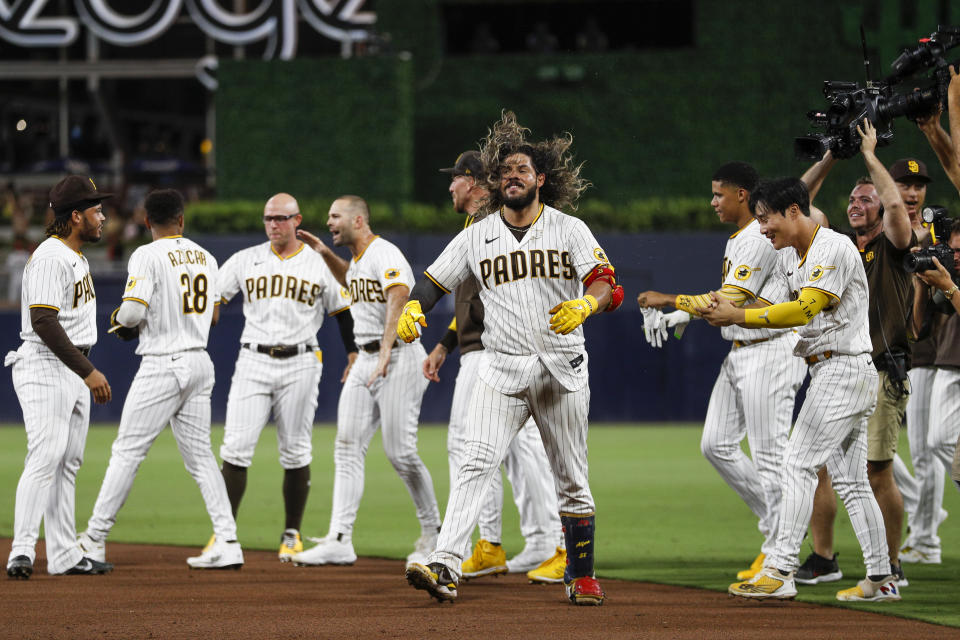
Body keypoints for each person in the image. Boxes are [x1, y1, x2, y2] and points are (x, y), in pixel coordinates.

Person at [399, 111, 625, 605]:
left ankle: (581, 574)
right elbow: (434, 281)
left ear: (540, 179)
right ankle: (446, 565)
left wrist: (588, 302)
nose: (512, 177)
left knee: (570, 476)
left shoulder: (569, 229)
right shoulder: (477, 235)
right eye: (504, 172)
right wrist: (415, 306)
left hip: (561, 370)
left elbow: (607, 284)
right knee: (475, 462)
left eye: (521, 169)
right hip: (501, 370)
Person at [703, 176, 899, 603]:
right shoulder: (795, 254)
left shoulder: (831, 247)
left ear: (793, 210)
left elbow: (804, 309)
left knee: (796, 465)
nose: (762, 228)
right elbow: (780, 307)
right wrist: (725, 306)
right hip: (839, 371)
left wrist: (740, 317)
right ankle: (881, 577)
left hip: (842, 372)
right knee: (851, 483)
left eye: (765, 218)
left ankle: (780, 569)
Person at [636, 162, 806, 582]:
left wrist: (675, 305)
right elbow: (728, 305)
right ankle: (778, 529)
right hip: (741, 350)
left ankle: (780, 557)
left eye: (719, 194)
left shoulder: (757, 239)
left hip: (771, 352)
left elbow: (728, 298)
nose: (713, 202)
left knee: (771, 460)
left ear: (742, 195)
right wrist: (685, 315)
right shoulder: (744, 237)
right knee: (716, 444)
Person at [77, 188, 242, 569]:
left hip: (162, 364)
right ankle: (229, 541)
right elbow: (214, 317)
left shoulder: (147, 254)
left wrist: (121, 319)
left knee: (127, 452)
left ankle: (94, 539)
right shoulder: (206, 256)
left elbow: (132, 314)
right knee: (201, 458)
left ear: (146, 220)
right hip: (200, 362)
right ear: (182, 219)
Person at [424, 151, 561, 581]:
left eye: (457, 179)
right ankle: (534, 541)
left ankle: (495, 544)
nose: (451, 187)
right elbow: (468, 301)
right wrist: (446, 342)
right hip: (479, 348)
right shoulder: (478, 229)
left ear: (477, 184)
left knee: (473, 446)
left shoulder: (494, 228)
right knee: (517, 451)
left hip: (496, 352)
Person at [795, 119, 915, 586]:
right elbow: (794, 204)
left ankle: (891, 564)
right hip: (839, 370)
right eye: (853, 199)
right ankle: (825, 558)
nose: (856, 204)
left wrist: (869, 155)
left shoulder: (896, 245)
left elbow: (894, 204)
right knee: (827, 467)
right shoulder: (838, 245)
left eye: (866, 199)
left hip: (883, 369)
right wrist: (830, 156)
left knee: (876, 472)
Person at [293, 195, 442, 568]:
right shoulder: (359, 260)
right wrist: (325, 253)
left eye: (335, 215)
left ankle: (435, 534)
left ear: (358, 221)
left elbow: (399, 295)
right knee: (346, 446)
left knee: (401, 453)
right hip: (365, 358)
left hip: (399, 358)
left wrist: (389, 347)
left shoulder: (384, 252)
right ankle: (339, 539)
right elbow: (353, 281)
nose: (329, 220)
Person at [214, 193, 355, 562]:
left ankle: (292, 533)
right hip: (253, 360)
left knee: (295, 450)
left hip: (301, 363)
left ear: (298, 221)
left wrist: (354, 352)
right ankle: (225, 537)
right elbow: (212, 302)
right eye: (269, 219)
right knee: (235, 448)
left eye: (281, 218)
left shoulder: (319, 262)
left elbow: (343, 311)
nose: (274, 225)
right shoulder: (245, 260)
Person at [5, 174, 113, 578]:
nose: (102, 216)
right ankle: (21, 551)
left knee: (67, 462)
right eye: (96, 209)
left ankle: (65, 554)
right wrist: (88, 371)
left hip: (70, 366)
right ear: (74, 216)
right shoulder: (51, 256)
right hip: (47, 365)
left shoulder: (74, 255)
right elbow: (44, 322)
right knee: (47, 454)